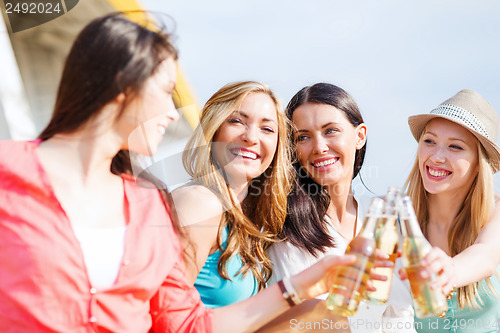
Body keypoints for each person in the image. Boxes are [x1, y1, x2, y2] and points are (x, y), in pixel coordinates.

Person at [0, 13, 356, 333]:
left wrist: (304, 290)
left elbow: (186, 323)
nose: (174, 113)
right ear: (123, 85)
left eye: (268, 129)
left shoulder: (147, 205)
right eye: (166, 91)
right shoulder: (10, 173)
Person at [265, 83, 399, 333]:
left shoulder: (384, 220)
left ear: (360, 136)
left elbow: (399, 317)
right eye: (303, 137)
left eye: (330, 131)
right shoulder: (281, 222)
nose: (319, 146)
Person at [172, 81, 291, 307]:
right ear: (214, 128)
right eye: (237, 121)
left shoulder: (249, 221)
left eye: (267, 129)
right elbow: (166, 317)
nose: (251, 137)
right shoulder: (199, 203)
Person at [400, 89, 500, 332]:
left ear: (479, 164)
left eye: (455, 147)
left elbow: (487, 254)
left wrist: (450, 271)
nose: (436, 157)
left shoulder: (496, 210)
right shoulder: (396, 222)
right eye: (429, 141)